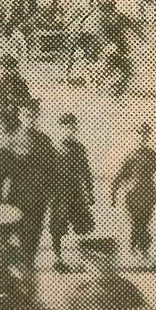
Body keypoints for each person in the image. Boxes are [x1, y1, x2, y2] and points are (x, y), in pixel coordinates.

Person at [0, 99, 58, 268]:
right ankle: (17, 275)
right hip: (16, 200)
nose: (30, 119)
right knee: (16, 241)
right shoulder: (10, 143)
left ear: (38, 116)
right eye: (27, 115)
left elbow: (54, 171)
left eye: (34, 115)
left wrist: (51, 194)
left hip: (38, 201)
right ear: (20, 116)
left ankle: (27, 273)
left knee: (33, 240)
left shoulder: (44, 141)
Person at [110, 123, 156, 262]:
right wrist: (113, 194)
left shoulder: (152, 155)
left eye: (145, 134)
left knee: (144, 222)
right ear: (137, 137)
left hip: (149, 194)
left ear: (148, 137)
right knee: (136, 222)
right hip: (132, 195)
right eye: (140, 134)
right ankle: (135, 248)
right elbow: (120, 175)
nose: (143, 137)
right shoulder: (131, 155)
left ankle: (142, 250)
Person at [47, 112, 97, 272]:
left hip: (76, 194)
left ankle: (79, 259)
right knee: (57, 227)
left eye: (72, 127)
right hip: (59, 193)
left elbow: (86, 172)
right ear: (60, 129)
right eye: (66, 127)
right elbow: (46, 172)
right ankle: (58, 258)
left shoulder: (79, 148)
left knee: (82, 225)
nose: (70, 130)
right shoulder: (54, 149)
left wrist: (90, 192)